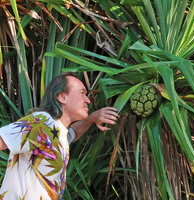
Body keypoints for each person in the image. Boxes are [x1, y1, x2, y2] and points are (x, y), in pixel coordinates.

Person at [0, 72, 119, 200]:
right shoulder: (41, 122)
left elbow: (73, 134)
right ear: (62, 97)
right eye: (82, 93)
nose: (88, 100)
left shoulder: (57, 130)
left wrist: (92, 119)